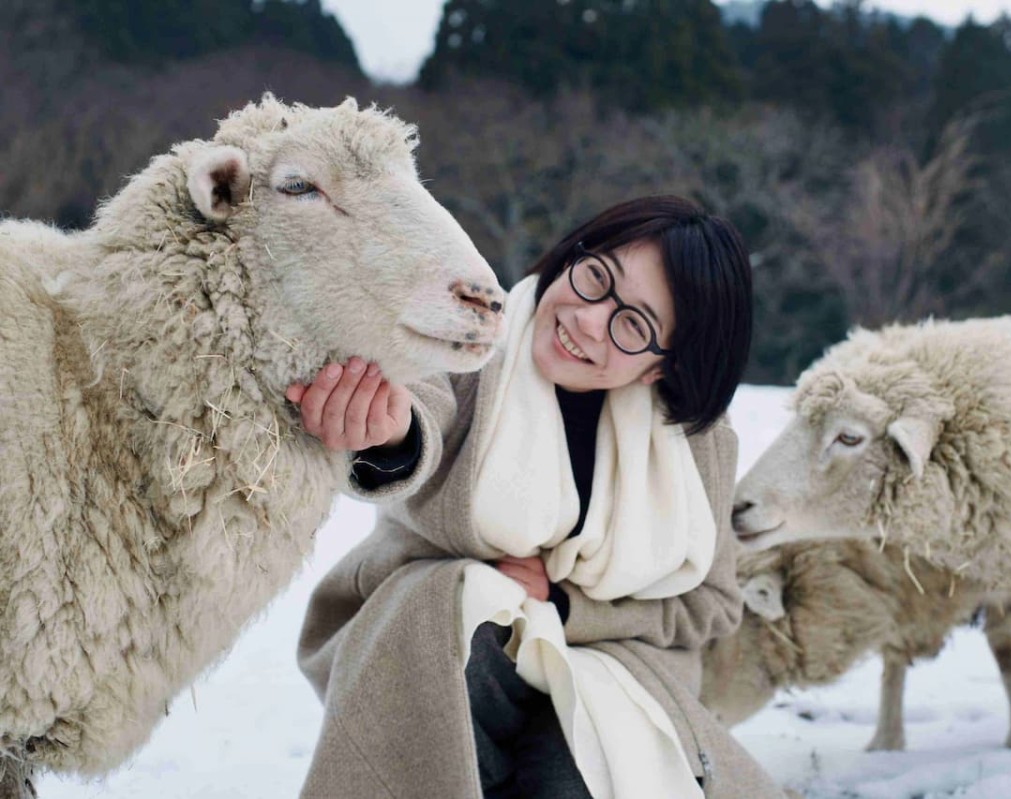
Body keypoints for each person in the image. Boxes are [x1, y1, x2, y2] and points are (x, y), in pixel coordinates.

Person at [289, 195, 785, 798]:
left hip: (611, 667)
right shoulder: (470, 343)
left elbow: (710, 604)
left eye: (634, 325)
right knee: (455, 613)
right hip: (451, 654)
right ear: (573, 254)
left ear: (661, 367)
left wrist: (565, 606)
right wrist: (389, 431)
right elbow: (422, 411)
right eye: (597, 279)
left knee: (582, 775)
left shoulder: (694, 444)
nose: (588, 321)